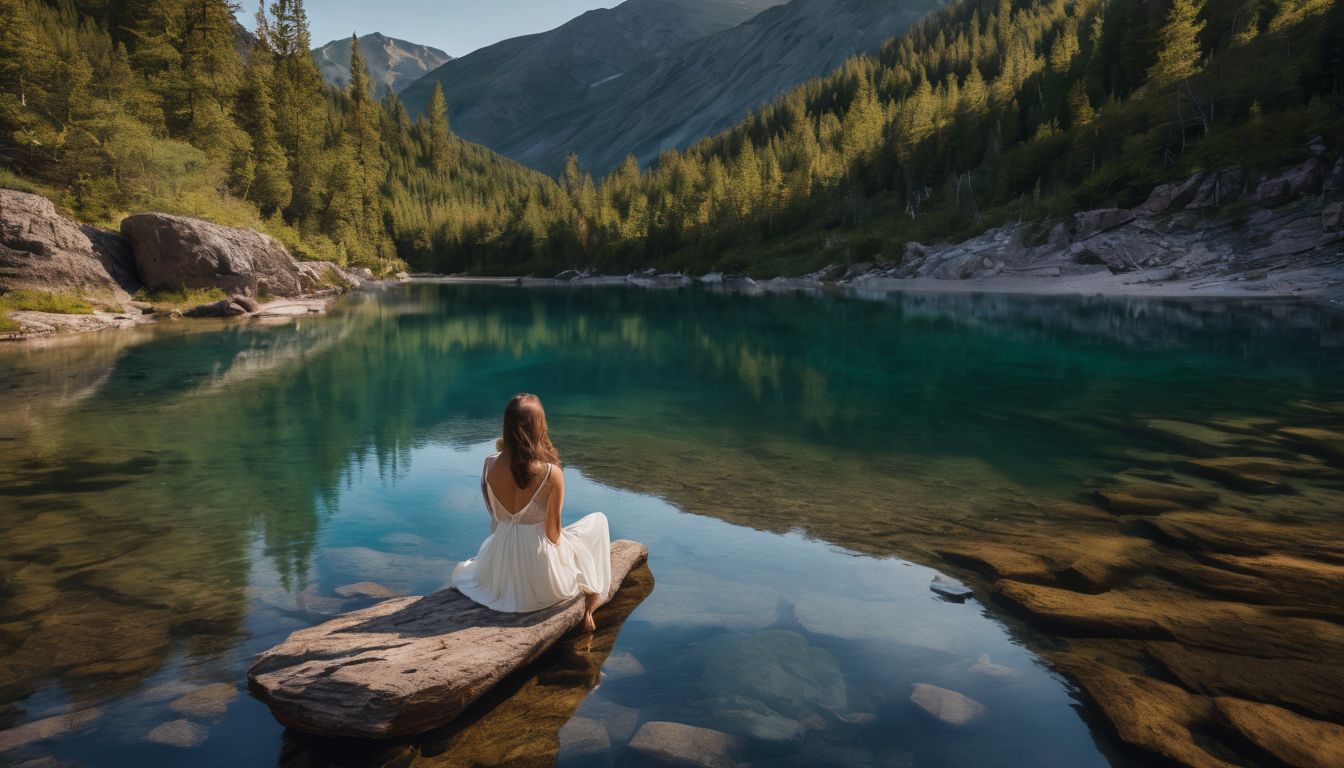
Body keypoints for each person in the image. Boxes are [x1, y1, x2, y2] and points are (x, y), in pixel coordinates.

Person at [452, 393, 612, 631]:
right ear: (539, 426)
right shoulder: (551, 472)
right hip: (538, 571)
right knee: (598, 521)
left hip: (499, 558)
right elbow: (552, 534)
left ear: (506, 426)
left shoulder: (489, 464)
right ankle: (590, 606)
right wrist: (571, 557)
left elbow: (495, 516)